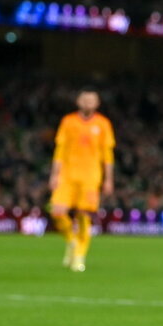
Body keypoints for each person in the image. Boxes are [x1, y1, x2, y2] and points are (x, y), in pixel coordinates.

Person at [49, 87, 115, 272]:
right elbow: (59, 151)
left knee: (84, 216)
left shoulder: (103, 124)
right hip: (67, 175)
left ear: (97, 103)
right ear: (78, 102)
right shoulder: (68, 122)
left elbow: (107, 155)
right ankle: (71, 241)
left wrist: (108, 179)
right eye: (84, 100)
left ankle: (79, 255)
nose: (87, 103)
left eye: (91, 100)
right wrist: (54, 174)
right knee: (57, 212)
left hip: (90, 177)